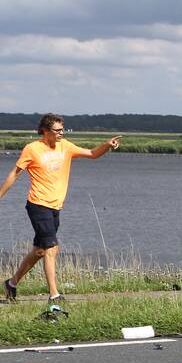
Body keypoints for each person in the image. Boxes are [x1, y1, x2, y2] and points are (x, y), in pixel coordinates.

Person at [0, 113, 121, 302]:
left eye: (62, 129)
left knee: (40, 250)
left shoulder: (66, 146)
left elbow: (92, 154)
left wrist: (107, 145)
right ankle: (54, 295)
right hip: (38, 204)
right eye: (57, 130)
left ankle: (11, 283)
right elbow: (14, 174)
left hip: (56, 206)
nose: (61, 133)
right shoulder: (32, 149)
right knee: (51, 248)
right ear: (45, 131)